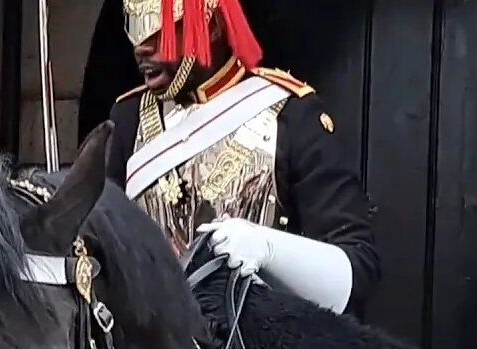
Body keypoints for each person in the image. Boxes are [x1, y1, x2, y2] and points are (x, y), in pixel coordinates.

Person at [106, 0, 380, 317]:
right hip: (152, 344)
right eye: (138, 28)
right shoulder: (128, 119)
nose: (142, 47)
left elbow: (357, 268)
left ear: (213, 26)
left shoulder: (289, 114)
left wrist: (269, 250)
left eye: (161, 30)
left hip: (253, 342)